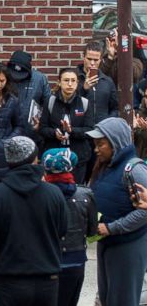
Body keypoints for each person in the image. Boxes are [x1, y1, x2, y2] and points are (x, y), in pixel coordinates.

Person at [0, 136, 68, 306]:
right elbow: (61, 231)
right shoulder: (54, 194)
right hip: (47, 279)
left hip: (8, 281)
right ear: (35, 158)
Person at [87, 117, 147, 306]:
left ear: (116, 142)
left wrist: (112, 228)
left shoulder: (134, 171)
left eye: (101, 144)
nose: (96, 149)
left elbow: (144, 212)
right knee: (107, 299)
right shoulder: (105, 167)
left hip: (127, 246)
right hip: (106, 244)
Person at [40, 148, 97, 306]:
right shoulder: (85, 195)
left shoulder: (37, 196)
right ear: (72, 167)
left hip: (45, 262)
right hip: (75, 261)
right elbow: (92, 231)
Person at [39, 68, 93, 181]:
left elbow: (89, 130)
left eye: (73, 80)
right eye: (66, 80)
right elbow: (42, 128)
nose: (70, 84)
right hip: (54, 156)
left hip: (78, 158)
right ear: (59, 82)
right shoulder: (50, 101)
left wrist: (71, 131)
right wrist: (54, 133)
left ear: (78, 83)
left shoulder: (84, 103)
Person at [6, 50, 51, 132]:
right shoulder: (4, 78)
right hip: (8, 132)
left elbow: (48, 105)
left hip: (33, 132)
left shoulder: (40, 79)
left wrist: (42, 123)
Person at [78, 40, 119, 128]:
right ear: (83, 57)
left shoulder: (107, 81)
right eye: (89, 59)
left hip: (102, 130)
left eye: (96, 60)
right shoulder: (73, 78)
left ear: (100, 60)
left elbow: (115, 108)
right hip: (80, 130)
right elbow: (67, 104)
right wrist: (84, 90)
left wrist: (107, 122)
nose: (92, 63)